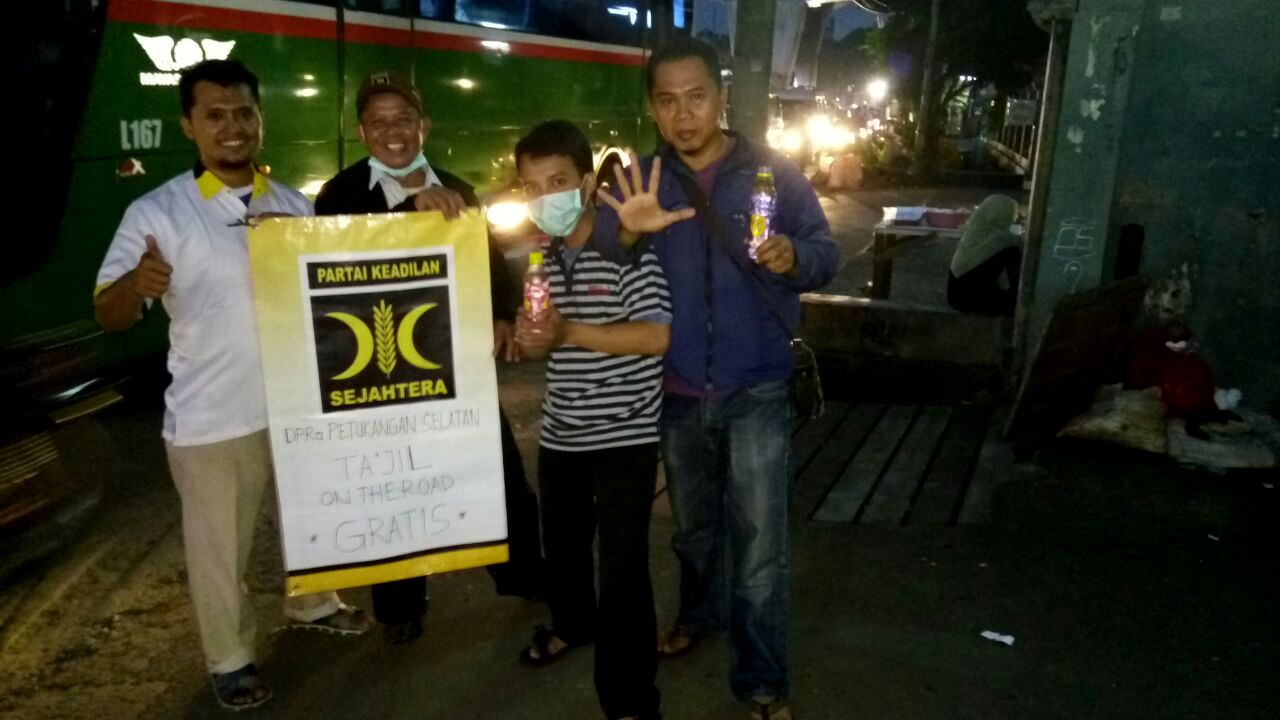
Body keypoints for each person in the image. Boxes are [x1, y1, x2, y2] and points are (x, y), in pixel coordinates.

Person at [93, 60, 370, 712]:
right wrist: (136, 285)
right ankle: (230, 657)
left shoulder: (293, 204)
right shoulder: (158, 212)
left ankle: (313, 602)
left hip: (296, 404)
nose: (233, 126)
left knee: (311, 518)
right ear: (189, 125)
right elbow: (109, 312)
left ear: (260, 120)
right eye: (214, 115)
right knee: (220, 546)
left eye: (244, 112)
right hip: (214, 414)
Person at [593, 38, 839, 720]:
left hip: (757, 387)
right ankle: (700, 614)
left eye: (696, 97)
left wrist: (795, 258)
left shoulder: (773, 172)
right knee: (694, 530)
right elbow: (606, 251)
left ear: (720, 96)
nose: (683, 115)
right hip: (674, 391)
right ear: (652, 108)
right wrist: (628, 233)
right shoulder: (642, 178)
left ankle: (762, 681)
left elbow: (827, 252)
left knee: (760, 548)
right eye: (667, 101)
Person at [314, 70, 545, 645]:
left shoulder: (459, 190)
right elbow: (331, 268)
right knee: (393, 487)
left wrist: (502, 313)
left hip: (456, 364)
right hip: (379, 370)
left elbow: (492, 264)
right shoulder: (339, 194)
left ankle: (523, 574)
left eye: (404, 118)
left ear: (425, 126)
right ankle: (399, 606)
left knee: (498, 472)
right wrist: (410, 213)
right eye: (378, 121)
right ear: (362, 132)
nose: (392, 130)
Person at [511, 120, 670, 720]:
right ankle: (573, 624)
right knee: (564, 548)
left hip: (626, 433)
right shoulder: (542, 258)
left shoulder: (629, 248)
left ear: (584, 183)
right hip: (562, 430)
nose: (543, 196)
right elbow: (541, 345)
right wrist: (531, 340)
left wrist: (568, 331)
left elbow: (655, 337)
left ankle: (629, 696)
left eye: (556, 182)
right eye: (531, 186)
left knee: (623, 567)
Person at [946, 194, 1022, 315]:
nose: (1015, 217)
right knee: (1024, 303)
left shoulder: (974, 232)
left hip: (955, 297)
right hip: (975, 300)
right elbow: (1018, 282)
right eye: (1014, 213)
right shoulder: (1005, 239)